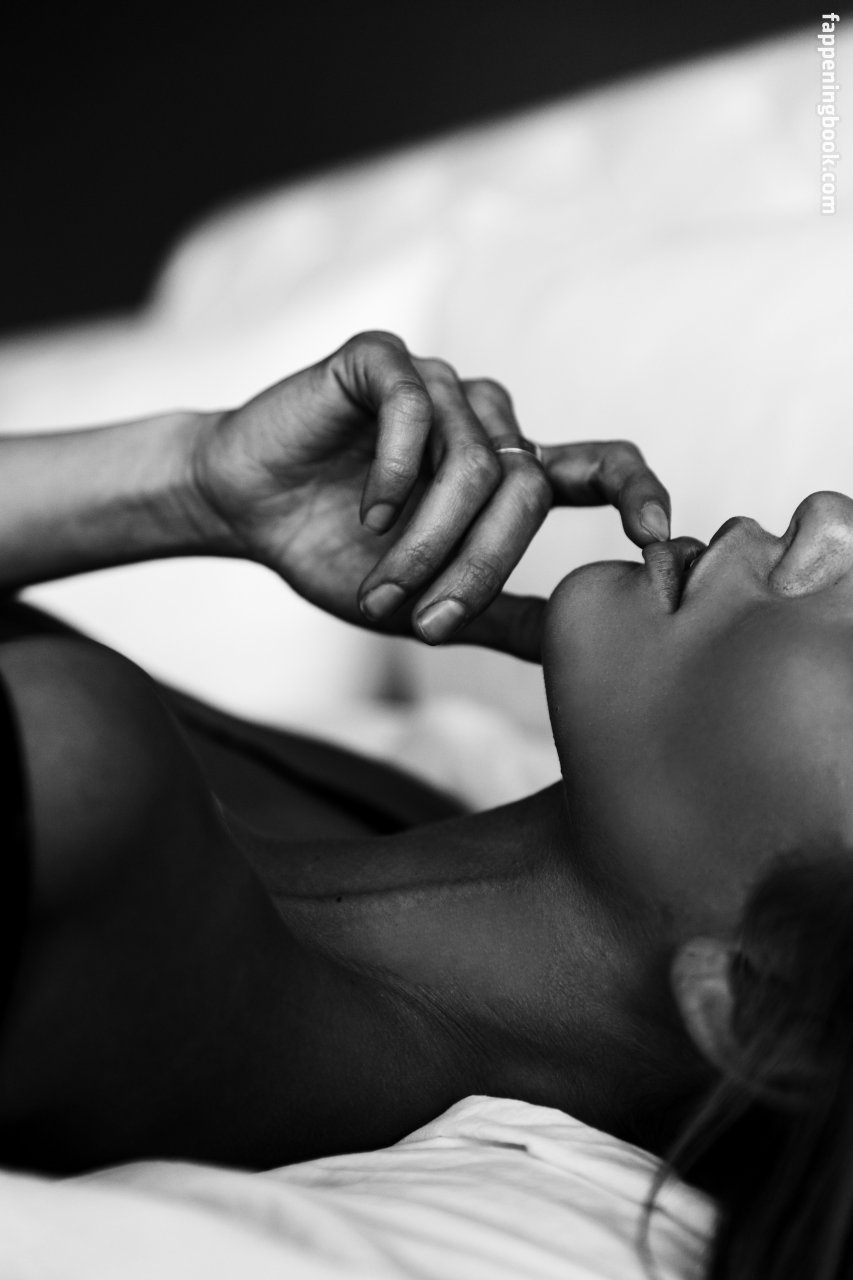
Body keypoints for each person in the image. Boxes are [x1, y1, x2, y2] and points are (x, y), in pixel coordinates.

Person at [0, 329, 845, 1279]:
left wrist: (147, 485)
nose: (831, 517)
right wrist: (191, 483)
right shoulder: (392, 799)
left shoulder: (80, 786)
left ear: (762, 1011)